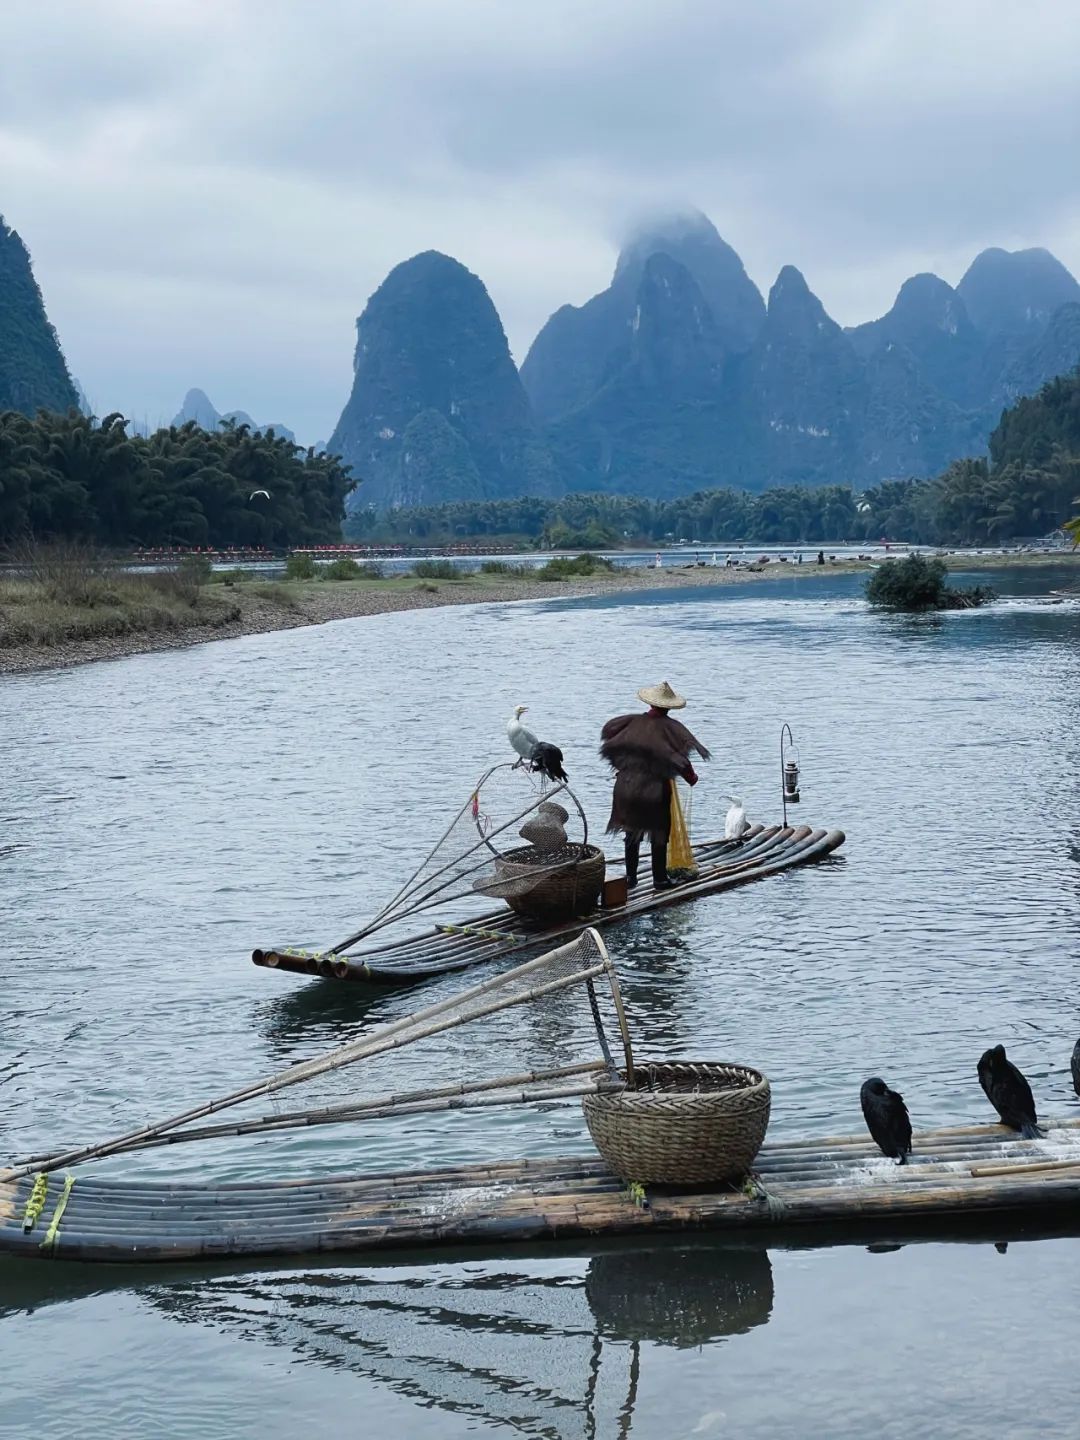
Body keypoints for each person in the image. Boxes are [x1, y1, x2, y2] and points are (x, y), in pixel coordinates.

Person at [600, 681, 710, 890]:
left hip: (626, 788)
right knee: (659, 833)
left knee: (631, 832)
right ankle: (660, 879)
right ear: (669, 707)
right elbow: (680, 760)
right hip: (653, 791)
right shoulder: (671, 728)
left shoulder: (630, 723)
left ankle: (631, 878)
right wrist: (691, 778)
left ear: (650, 703)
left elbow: (612, 747)